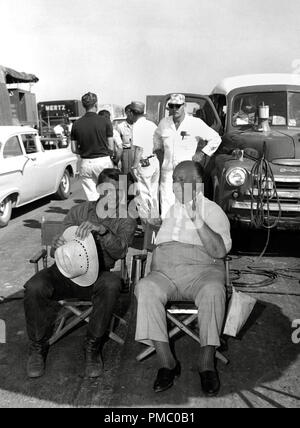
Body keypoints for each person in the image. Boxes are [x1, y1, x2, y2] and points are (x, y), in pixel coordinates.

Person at [24, 168, 137, 379]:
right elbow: (58, 245)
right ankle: (37, 347)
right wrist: (56, 244)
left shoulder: (127, 219)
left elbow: (120, 251)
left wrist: (103, 231)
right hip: (64, 272)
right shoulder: (79, 211)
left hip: (98, 274)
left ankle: (93, 347)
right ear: (98, 189)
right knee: (34, 286)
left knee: (111, 284)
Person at [135, 161, 231, 396]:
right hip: (165, 272)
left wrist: (196, 218)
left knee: (213, 291)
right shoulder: (171, 210)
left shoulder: (212, 210)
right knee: (145, 288)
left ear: (198, 184)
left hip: (201, 272)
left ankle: (206, 364)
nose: (174, 185)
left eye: (181, 180)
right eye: (173, 180)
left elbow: (219, 251)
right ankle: (167, 363)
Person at [153, 94, 222, 218]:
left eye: (178, 106)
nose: (174, 109)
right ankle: (167, 230)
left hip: (187, 172)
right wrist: (158, 150)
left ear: (184, 106)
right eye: (171, 106)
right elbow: (156, 136)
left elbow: (216, 138)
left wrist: (203, 153)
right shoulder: (164, 123)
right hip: (168, 171)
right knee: (166, 201)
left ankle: (187, 234)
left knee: (188, 203)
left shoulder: (195, 123)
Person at [71, 92, 115, 201]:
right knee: (108, 194)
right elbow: (111, 147)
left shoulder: (76, 124)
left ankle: (95, 216)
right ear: (96, 105)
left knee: (92, 198)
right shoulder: (105, 121)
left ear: (84, 106)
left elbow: (73, 148)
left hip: (86, 163)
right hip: (103, 161)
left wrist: (84, 151)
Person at [129, 101, 160, 223]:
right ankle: (155, 221)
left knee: (142, 196)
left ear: (131, 112)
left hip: (144, 163)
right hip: (154, 160)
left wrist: (134, 166)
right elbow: (158, 144)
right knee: (153, 194)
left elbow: (139, 148)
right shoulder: (151, 124)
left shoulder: (137, 126)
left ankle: (148, 226)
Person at [115, 104, 134, 175]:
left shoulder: (139, 125)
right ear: (126, 112)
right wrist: (118, 158)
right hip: (126, 152)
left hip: (137, 151)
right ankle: (123, 186)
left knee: (137, 174)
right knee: (124, 174)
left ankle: (135, 186)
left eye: (134, 112)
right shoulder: (120, 126)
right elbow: (117, 144)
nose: (132, 114)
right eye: (130, 112)